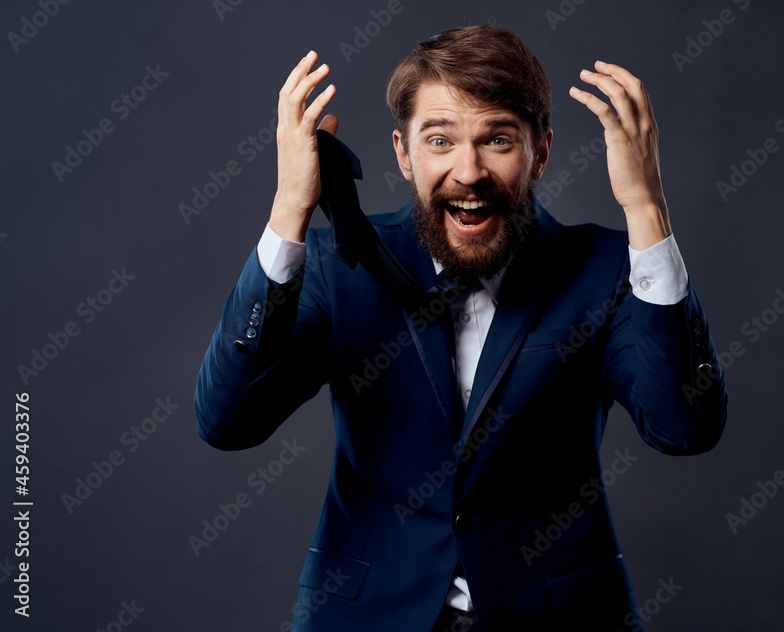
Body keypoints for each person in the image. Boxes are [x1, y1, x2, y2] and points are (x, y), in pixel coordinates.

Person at [195, 24, 727, 632]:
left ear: (541, 152)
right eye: (440, 140)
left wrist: (646, 209)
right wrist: (289, 207)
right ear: (403, 153)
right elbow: (226, 421)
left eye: (497, 140)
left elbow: (684, 427)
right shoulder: (336, 266)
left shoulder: (607, 269)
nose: (468, 172)